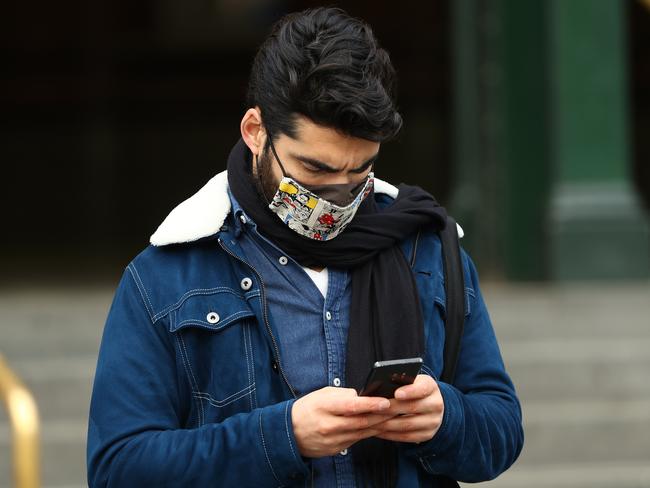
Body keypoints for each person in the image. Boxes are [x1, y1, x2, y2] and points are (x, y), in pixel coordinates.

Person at [87, 7, 523, 487]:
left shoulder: (429, 248)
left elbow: (501, 428)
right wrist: (281, 436)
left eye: (360, 171)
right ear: (256, 132)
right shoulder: (167, 275)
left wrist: (447, 420)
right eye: (314, 170)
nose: (337, 194)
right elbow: (118, 468)